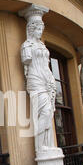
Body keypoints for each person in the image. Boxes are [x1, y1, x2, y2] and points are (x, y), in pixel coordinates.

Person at [20, 9, 56, 153]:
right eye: (38, 29)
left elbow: (46, 65)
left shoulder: (42, 46)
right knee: (45, 112)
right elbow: (27, 63)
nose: (40, 32)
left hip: (46, 79)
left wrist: (51, 80)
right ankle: (40, 147)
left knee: (49, 113)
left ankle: (48, 145)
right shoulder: (26, 46)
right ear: (31, 29)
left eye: (42, 28)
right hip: (35, 79)